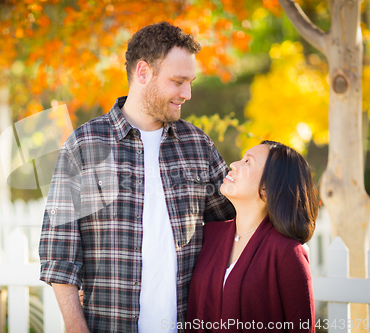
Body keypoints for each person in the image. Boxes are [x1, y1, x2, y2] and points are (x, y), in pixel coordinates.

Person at [39, 21, 235, 333]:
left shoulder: (197, 145)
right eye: (178, 81)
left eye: (191, 82)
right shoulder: (85, 145)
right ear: (143, 72)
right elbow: (58, 253)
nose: (188, 93)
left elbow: (233, 222)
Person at [185, 140, 317, 333]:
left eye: (248, 162)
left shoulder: (287, 253)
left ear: (267, 188)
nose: (234, 164)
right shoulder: (209, 236)